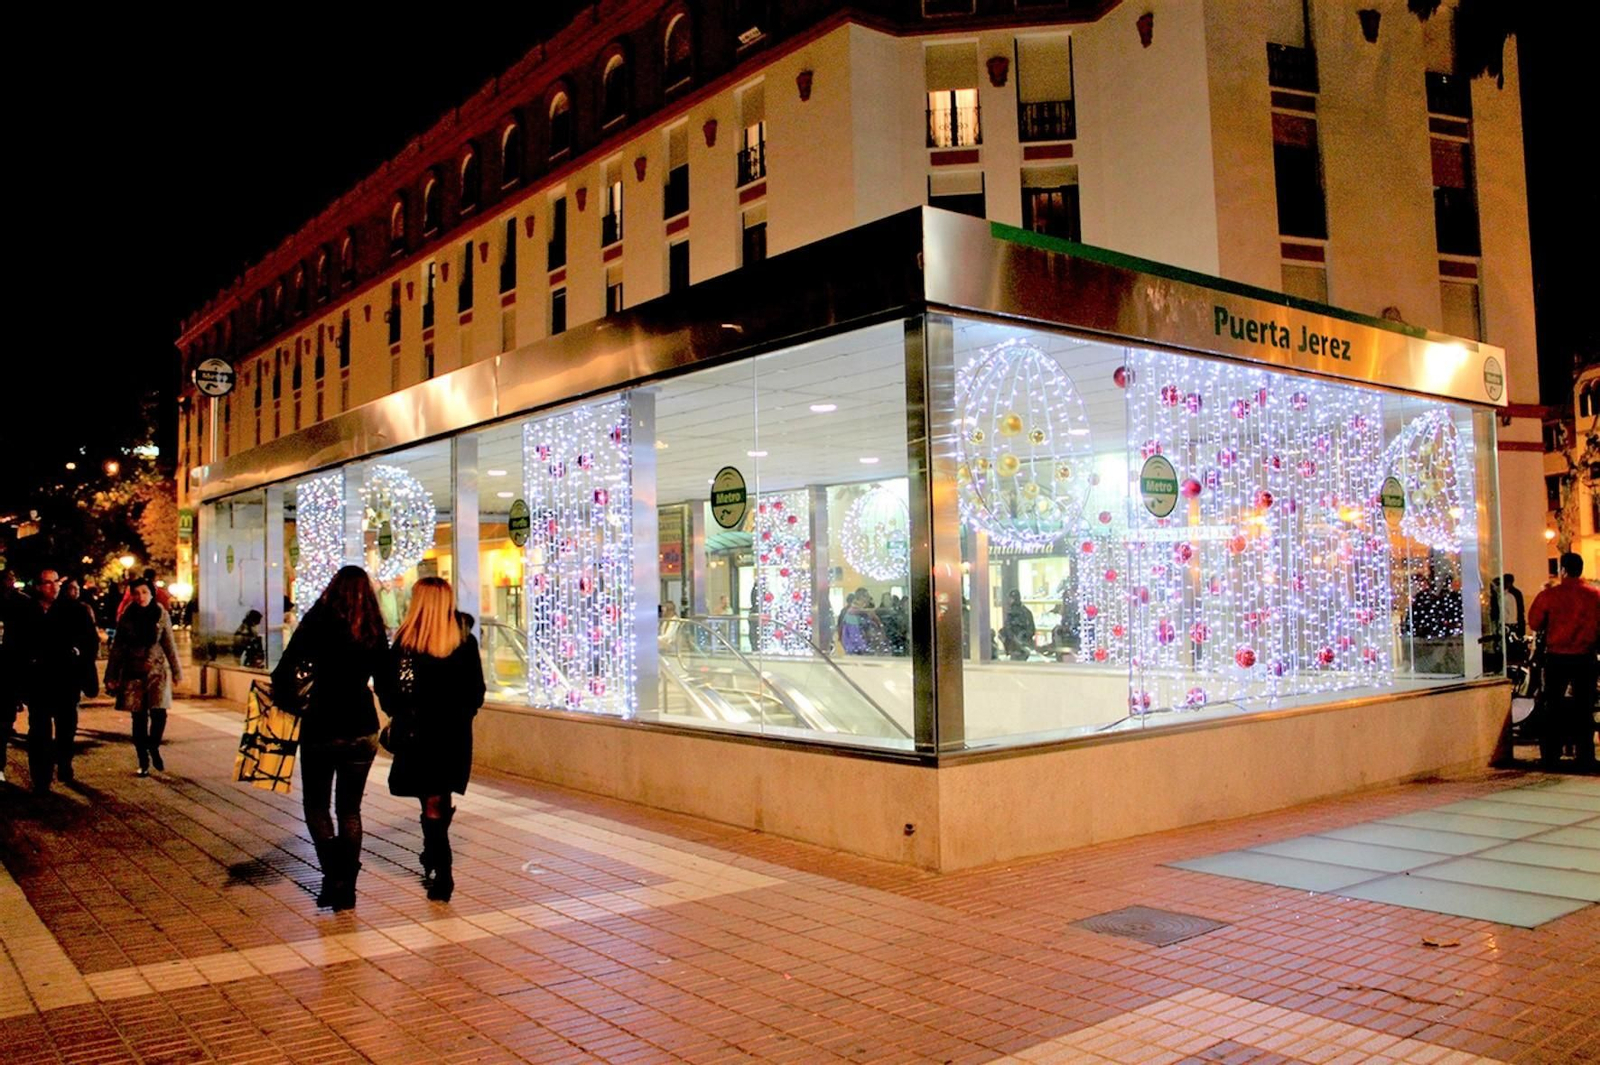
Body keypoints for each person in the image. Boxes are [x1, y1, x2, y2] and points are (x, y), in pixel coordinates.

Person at [273, 566, 391, 910]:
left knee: (317, 805)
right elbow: (385, 683)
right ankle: (347, 887)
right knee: (350, 810)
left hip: (321, 724)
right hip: (361, 726)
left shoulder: (318, 619)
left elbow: (286, 669)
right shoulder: (372, 626)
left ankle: (333, 877)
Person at [378, 577, 485, 903]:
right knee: (439, 797)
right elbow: (476, 692)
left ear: (419, 601)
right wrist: (460, 715)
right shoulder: (463, 640)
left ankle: (442, 869)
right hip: (452, 736)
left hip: (418, 734)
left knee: (431, 799)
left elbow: (388, 689)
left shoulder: (406, 643)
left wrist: (399, 712)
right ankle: (436, 857)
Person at [27, 568, 100, 792]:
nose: (54, 587)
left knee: (66, 727)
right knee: (39, 729)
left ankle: (64, 762)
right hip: (38, 680)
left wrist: (78, 655)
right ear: (38, 586)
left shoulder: (74, 610)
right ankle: (41, 777)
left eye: (56, 582)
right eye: (48, 583)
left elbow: (91, 642)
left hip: (66, 680)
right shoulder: (27, 611)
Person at [1526, 552, 1600, 769]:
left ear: (1563, 570)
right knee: (1584, 707)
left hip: (1557, 657)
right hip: (1585, 657)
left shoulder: (1550, 595)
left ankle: (1551, 755)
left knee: (1553, 706)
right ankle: (1585, 755)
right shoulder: (1594, 596)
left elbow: (1535, 622)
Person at [105, 579, 183, 776]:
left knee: (159, 714)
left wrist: (176, 671)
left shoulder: (161, 614)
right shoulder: (127, 617)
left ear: (151, 593)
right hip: (133, 671)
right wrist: (111, 675)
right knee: (138, 718)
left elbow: (169, 645)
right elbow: (118, 648)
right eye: (136, 593)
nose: (140, 597)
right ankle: (143, 760)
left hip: (157, 671)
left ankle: (153, 746)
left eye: (144, 592)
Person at [1, 569, 35, 785]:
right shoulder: (21, 603)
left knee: (4, 719)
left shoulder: (22, 603)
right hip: (10, 666)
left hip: (10, 667)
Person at [1002, 589, 1037, 661]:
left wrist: (1019, 638)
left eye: (1011, 599)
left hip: (1019, 645)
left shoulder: (1013, 612)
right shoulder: (1026, 611)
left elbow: (1008, 628)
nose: (1009, 601)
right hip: (1019, 644)